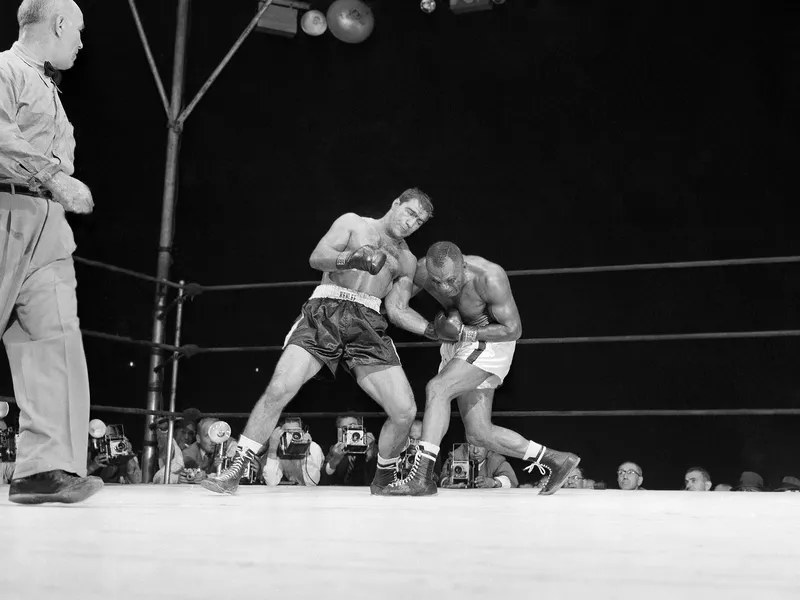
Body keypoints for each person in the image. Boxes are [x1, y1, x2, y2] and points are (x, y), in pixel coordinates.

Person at [201, 188, 434, 495]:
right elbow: (317, 258)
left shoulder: (406, 260)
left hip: (369, 321)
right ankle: (236, 469)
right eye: (409, 212)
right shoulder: (353, 223)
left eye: (419, 220)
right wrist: (353, 258)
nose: (411, 223)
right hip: (327, 310)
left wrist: (433, 330)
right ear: (395, 204)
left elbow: (398, 309)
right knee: (280, 388)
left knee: (404, 411)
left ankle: (384, 477)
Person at [381, 241, 579, 496]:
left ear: (463, 265)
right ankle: (556, 460)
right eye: (437, 282)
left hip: (490, 341)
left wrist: (465, 332)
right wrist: (430, 329)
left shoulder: (489, 277)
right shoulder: (421, 271)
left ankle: (421, 477)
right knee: (478, 434)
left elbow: (513, 329)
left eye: (451, 280)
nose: (444, 288)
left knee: (438, 388)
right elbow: (396, 308)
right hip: (457, 344)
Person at [0, 0, 101, 504]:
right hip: (7, 208)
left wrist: (54, 189)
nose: (82, 42)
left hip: (48, 224)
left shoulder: (48, 87)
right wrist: (54, 177)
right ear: (59, 24)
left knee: (56, 338)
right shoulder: (5, 69)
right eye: (78, 30)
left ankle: (44, 467)